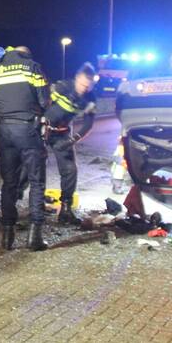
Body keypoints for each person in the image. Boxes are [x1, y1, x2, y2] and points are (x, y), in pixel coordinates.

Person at [0, 45, 49, 251]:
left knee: (9, 183)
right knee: (36, 181)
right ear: (25, 55)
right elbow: (44, 100)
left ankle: (7, 237)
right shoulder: (32, 67)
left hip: (4, 131)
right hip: (27, 128)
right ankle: (34, 237)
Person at [43, 62, 97, 225]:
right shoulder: (62, 87)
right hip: (43, 130)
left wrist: (72, 140)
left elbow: (88, 124)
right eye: (82, 85)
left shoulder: (90, 98)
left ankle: (65, 210)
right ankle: (35, 205)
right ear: (76, 79)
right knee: (34, 168)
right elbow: (41, 103)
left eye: (88, 86)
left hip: (62, 133)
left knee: (70, 170)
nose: (84, 89)